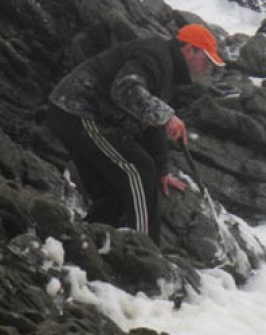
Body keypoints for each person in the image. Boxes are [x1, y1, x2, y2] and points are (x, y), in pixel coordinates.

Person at [46, 24, 226, 244]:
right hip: (79, 110)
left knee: (113, 192)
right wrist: (167, 116)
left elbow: (151, 123)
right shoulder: (156, 56)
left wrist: (162, 170)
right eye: (206, 60)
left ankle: (85, 246)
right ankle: (145, 249)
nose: (207, 69)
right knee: (139, 170)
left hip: (78, 112)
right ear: (190, 50)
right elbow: (125, 89)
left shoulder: (168, 68)